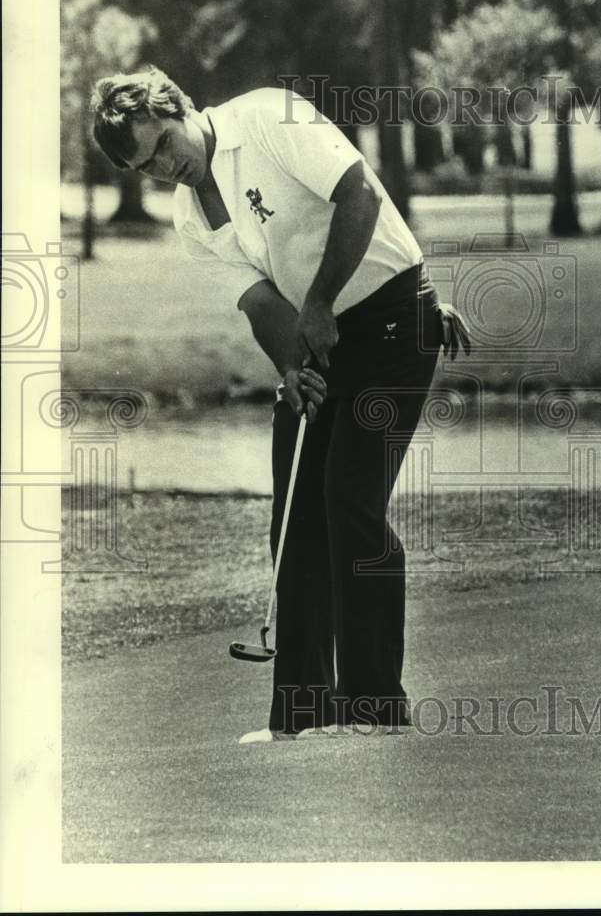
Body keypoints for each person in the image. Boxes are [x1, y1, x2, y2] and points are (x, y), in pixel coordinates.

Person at [91, 66, 470, 742]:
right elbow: (262, 301)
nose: (164, 166)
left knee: (349, 499)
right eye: (145, 165)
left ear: (179, 107)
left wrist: (320, 303)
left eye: (164, 144)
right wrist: (291, 367)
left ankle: (375, 705)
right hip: (319, 339)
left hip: (390, 319)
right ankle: (302, 711)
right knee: (295, 516)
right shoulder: (188, 217)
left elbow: (359, 196)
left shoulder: (268, 116)